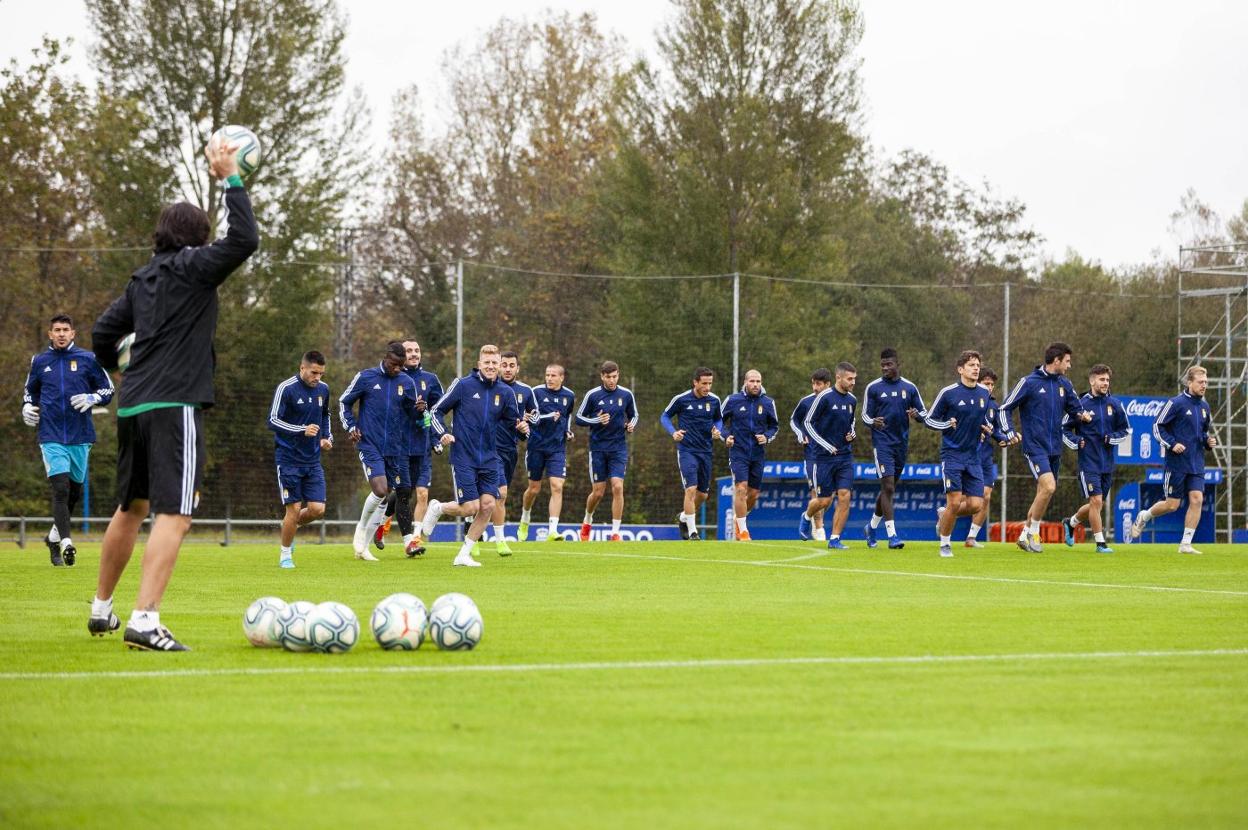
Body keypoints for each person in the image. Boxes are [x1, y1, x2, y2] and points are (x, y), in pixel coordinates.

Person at [88, 137, 259, 650]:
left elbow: (101, 334)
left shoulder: (143, 279)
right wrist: (232, 179)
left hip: (134, 404)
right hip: (174, 404)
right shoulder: (194, 267)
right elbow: (244, 240)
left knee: (131, 507)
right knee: (176, 512)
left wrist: (122, 367)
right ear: (197, 238)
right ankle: (144, 619)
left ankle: (101, 610)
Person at [422, 344, 529, 566]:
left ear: (499, 365)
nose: (491, 366)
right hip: (464, 456)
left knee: (489, 504)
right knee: (471, 507)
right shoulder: (463, 386)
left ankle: (464, 555)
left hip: (490, 458)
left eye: (494, 363)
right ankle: (438, 508)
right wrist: (443, 433)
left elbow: (513, 422)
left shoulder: (506, 393)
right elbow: (436, 411)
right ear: (479, 364)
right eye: (487, 362)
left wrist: (522, 429)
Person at [21, 313, 115, 567]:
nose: (61, 333)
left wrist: (93, 398)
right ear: (50, 334)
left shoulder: (89, 359)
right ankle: (66, 543)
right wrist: (26, 408)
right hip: (50, 435)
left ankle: (53, 538)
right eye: (57, 330)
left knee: (74, 491)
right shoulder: (39, 362)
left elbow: (108, 389)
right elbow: (30, 393)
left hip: (80, 435)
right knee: (60, 489)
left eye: (66, 329)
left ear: (73, 333)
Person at [998, 342, 1091, 553]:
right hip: (1035, 447)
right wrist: (1009, 432)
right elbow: (1004, 409)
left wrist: (1083, 415)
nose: (1069, 365)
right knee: (1049, 487)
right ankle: (1034, 533)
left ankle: (1024, 535)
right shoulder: (1028, 382)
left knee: (1044, 492)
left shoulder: (1065, 385)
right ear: (1056, 361)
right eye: (1067, 361)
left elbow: (1076, 408)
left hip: (1055, 448)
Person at [338, 341, 416, 562]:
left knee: (384, 497)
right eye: (394, 364)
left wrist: (419, 410)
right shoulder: (366, 377)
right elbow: (344, 402)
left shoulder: (407, 382)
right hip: (369, 443)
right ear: (386, 357)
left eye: (401, 365)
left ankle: (364, 548)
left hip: (394, 447)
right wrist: (351, 427)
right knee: (381, 490)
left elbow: (412, 414)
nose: (398, 369)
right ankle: (361, 530)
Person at [1128, 366, 1216, 554]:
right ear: (1189, 382)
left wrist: (1208, 442)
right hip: (1177, 463)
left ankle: (1185, 544)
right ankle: (1145, 515)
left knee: (1197, 499)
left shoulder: (1205, 407)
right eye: (1201, 382)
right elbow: (1157, 426)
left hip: (1197, 463)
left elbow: (1203, 433)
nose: (1204, 386)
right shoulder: (1176, 403)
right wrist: (1172, 443)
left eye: (1206, 382)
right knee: (1172, 505)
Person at [373, 339, 444, 557]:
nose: (413, 354)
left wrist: (436, 437)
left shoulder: (430, 380)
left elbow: (437, 412)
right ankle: (384, 525)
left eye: (417, 350)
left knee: (421, 493)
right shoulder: (393, 380)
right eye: (409, 351)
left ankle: (414, 538)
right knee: (403, 493)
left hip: (422, 448)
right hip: (399, 448)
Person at [925, 351, 998, 558]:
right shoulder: (949, 393)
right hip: (952, 455)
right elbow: (930, 420)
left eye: (977, 365)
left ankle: (944, 513)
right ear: (960, 370)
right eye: (971, 365)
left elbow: (980, 419)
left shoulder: (984, 393)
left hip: (973, 456)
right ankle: (945, 544)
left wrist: (985, 429)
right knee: (955, 501)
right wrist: (946, 424)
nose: (976, 368)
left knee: (976, 504)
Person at [268, 351, 332, 569]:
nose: (318, 377)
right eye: (314, 372)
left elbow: (325, 415)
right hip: (288, 459)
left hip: (312, 460)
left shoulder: (324, 389)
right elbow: (273, 420)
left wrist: (326, 437)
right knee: (293, 510)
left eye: (321, 373)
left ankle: (289, 526)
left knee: (317, 510)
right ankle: (285, 554)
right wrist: (301, 430)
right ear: (302, 368)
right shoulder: (286, 388)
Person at [1060, 364, 1131, 554]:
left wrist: (1112, 438)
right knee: (1096, 501)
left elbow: (1125, 431)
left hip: (1107, 463)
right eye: (1101, 379)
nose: (1105, 383)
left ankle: (1071, 522)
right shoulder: (1079, 405)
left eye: (1107, 380)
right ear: (1092, 381)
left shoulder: (1115, 405)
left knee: (1096, 504)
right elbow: (1064, 429)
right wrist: (1076, 441)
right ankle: (1100, 543)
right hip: (1088, 463)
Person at [860, 348, 927, 549]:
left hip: (901, 444)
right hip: (882, 444)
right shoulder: (873, 388)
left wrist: (917, 415)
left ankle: (871, 527)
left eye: (889, 365)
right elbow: (864, 416)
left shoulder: (910, 387)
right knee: (888, 486)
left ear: (898, 364)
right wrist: (873, 422)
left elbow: (924, 414)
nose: (885, 368)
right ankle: (892, 536)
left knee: (888, 489)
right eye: (882, 365)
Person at [576, 361, 638, 541]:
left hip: (618, 448)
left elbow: (634, 415)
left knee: (618, 486)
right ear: (602, 376)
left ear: (618, 375)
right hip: (597, 449)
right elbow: (579, 418)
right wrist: (596, 420)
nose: (612, 380)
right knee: (598, 493)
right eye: (608, 377)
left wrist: (630, 426)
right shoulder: (593, 395)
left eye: (615, 376)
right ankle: (587, 520)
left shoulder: (626, 394)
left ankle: (616, 532)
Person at [661, 367, 724, 541]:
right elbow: (665, 416)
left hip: (706, 451)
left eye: (710, 383)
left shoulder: (714, 401)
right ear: (695, 382)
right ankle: (693, 531)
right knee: (691, 488)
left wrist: (718, 431)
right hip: (687, 450)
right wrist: (674, 432)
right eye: (704, 383)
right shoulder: (681, 399)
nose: (707, 387)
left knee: (702, 495)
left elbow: (719, 419)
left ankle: (683, 518)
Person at [801, 362, 858, 549]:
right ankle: (807, 515)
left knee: (844, 496)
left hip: (844, 457)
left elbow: (851, 424)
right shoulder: (824, 397)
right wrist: (825, 445)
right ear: (839, 378)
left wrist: (852, 434)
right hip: (823, 458)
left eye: (854, 379)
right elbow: (808, 423)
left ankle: (834, 539)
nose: (853, 382)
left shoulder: (852, 400)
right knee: (825, 500)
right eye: (850, 379)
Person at [519, 365, 576, 542]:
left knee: (557, 485)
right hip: (536, 447)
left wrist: (567, 431)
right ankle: (525, 519)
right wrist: (548, 416)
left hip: (557, 449)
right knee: (534, 489)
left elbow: (567, 416)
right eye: (547, 375)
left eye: (553, 376)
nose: (549, 378)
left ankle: (553, 530)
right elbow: (527, 416)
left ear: (562, 378)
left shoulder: (569, 395)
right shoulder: (535, 392)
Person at [721, 369, 779, 541]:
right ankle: (743, 531)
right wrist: (726, 436)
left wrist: (766, 437)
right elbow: (717, 421)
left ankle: (740, 520)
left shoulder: (768, 403)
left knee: (753, 494)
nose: (755, 384)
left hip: (758, 454)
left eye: (758, 381)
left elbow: (774, 427)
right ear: (745, 382)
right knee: (741, 488)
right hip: (738, 452)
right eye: (752, 381)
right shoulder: (733, 400)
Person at [965, 368, 1018, 547]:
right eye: (986, 383)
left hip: (987, 457)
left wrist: (1006, 439)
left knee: (986, 497)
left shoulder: (994, 406)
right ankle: (947, 513)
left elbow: (996, 432)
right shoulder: (968, 401)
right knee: (970, 499)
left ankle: (971, 537)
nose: (989, 387)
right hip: (970, 455)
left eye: (992, 384)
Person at [491, 351, 538, 554]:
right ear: (499, 367)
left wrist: (526, 423)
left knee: (495, 497)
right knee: (499, 494)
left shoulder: (526, 391)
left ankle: (472, 532)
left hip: (510, 450)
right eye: (504, 365)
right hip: (489, 449)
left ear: (518, 368)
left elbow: (535, 417)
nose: (508, 369)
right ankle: (500, 541)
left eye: (512, 365)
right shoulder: (490, 388)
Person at [790, 369, 832, 541]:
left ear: (828, 384)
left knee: (828, 498)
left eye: (819, 384)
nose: (815, 387)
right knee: (816, 493)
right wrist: (800, 434)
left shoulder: (835, 402)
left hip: (832, 455)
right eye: (813, 383)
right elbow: (793, 420)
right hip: (812, 455)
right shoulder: (806, 402)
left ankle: (811, 513)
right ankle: (820, 531)